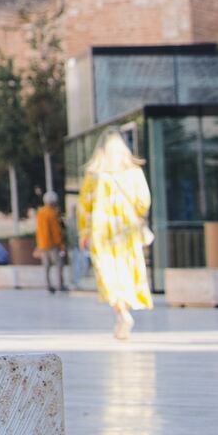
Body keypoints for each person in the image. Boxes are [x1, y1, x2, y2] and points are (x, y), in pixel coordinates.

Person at [76, 132, 152, 340]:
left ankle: (121, 313)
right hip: (128, 231)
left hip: (102, 231)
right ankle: (124, 312)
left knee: (108, 273)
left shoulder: (94, 175)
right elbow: (144, 201)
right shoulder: (134, 172)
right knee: (128, 270)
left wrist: (84, 231)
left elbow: (84, 206)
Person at [35, 189, 68, 295]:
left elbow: (38, 230)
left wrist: (38, 244)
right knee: (59, 264)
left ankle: (48, 285)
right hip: (53, 244)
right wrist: (60, 243)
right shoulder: (52, 213)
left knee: (46, 266)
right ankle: (60, 285)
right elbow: (55, 230)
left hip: (42, 244)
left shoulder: (40, 213)